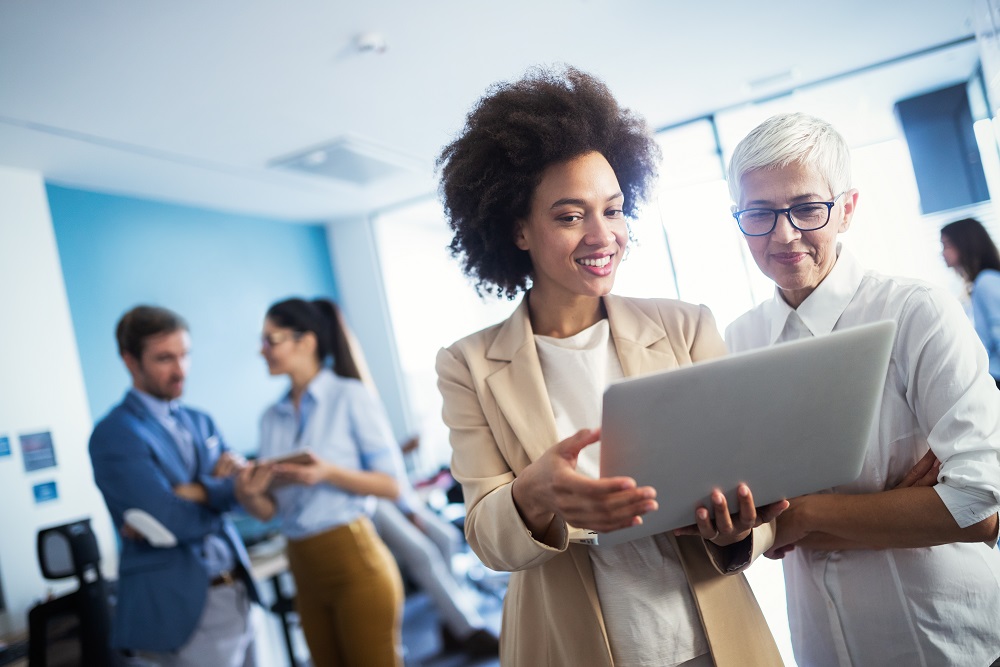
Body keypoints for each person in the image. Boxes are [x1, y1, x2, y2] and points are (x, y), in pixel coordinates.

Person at [435, 65, 787, 667]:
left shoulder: (685, 327)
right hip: (574, 644)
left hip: (712, 636)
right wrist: (534, 492)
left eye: (614, 209)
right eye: (571, 216)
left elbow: (754, 490)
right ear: (518, 228)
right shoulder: (468, 364)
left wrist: (741, 528)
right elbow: (486, 538)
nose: (603, 236)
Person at [724, 112, 1000, 666]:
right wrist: (897, 507)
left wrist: (805, 516)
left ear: (846, 209)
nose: (783, 234)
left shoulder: (915, 312)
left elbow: (979, 506)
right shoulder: (737, 342)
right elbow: (757, 526)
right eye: (759, 213)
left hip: (948, 645)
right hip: (823, 647)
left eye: (806, 207)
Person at [89, 305, 270, 666]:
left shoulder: (199, 421)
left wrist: (198, 492)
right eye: (164, 358)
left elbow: (247, 492)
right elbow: (169, 523)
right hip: (184, 610)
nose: (180, 370)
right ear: (130, 360)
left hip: (237, 592)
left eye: (185, 355)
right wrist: (221, 489)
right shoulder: (116, 434)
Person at [251, 297, 406, 667]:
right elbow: (268, 511)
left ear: (306, 341)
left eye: (271, 340)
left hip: (354, 563)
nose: (262, 351)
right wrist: (249, 492)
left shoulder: (349, 397)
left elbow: (392, 485)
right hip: (301, 569)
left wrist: (327, 472)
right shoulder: (270, 418)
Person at [941, 217, 1000, 389]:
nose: (942, 253)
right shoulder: (975, 285)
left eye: (947, 245)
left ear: (965, 244)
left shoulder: (986, 282)